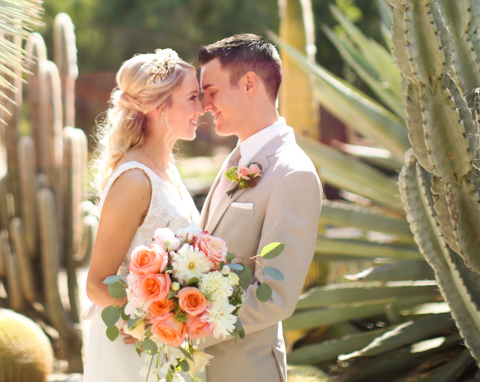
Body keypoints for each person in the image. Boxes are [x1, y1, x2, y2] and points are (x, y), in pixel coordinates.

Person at [196, 34, 322, 382]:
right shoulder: (236, 159)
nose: (205, 104)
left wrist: (185, 330)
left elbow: (275, 297)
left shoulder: (293, 174)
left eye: (212, 90)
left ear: (249, 83)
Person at [84, 49, 203, 382]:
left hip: (169, 345)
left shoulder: (167, 169)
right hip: (133, 350)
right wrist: (149, 320)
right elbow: (96, 285)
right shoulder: (135, 179)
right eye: (192, 98)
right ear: (159, 107)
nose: (202, 107)